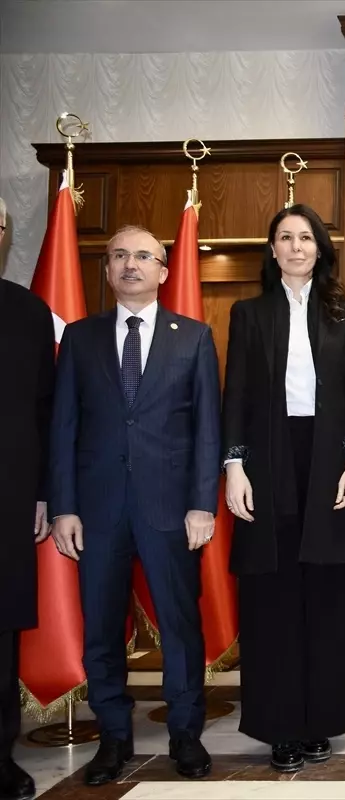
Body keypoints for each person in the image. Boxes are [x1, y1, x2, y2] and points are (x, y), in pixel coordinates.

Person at [49, 225, 219, 785]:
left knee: (180, 625)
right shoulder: (80, 337)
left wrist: (202, 504)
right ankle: (114, 737)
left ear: (163, 271)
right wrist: (64, 507)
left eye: (143, 256)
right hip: (96, 510)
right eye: (119, 255)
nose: (130, 264)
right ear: (106, 270)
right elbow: (63, 426)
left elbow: (207, 430)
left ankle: (186, 734)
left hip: (171, 509)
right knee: (101, 628)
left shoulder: (193, 337)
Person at [221, 204, 345, 771]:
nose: (295, 247)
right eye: (285, 238)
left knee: (328, 597)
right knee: (273, 598)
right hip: (268, 461)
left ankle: (321, 722)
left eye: (305, 238)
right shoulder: (248, 313)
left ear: (320, 249)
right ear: (272, 249)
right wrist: (234, 466)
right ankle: (279, 726)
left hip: (330, 459)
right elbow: (236, 393)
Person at [0, 197, 55, 800]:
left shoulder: (28, 312)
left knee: (1, 634)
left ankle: (0, 756)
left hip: (8, 499)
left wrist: (43, 493)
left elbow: (46, 411)